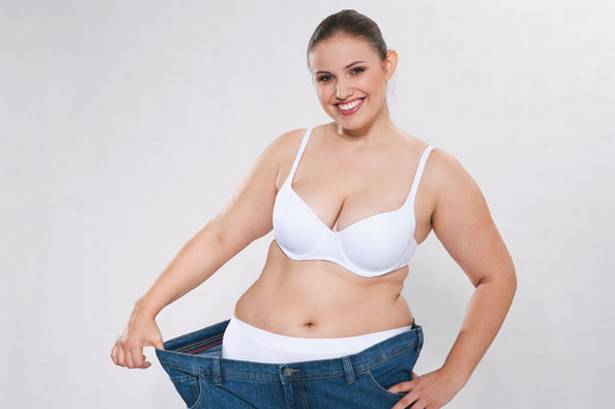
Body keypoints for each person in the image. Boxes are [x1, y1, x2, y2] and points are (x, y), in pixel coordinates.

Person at [111, 9, 516, 409]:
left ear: (388, 63)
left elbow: (496, 277)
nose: (342, 91)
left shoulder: (435, 172)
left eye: (356, 70)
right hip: (247, 370)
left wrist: (452, 377)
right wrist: (145, 308)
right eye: (325, 78)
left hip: (357, 381)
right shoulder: (291, 150)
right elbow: (221, 235)